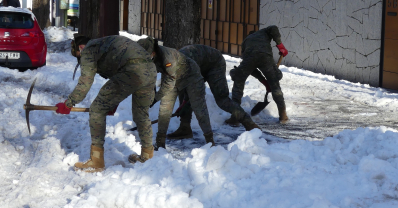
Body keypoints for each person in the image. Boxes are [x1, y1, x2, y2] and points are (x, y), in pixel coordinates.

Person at [57, 34, 157, 172]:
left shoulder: (89, 51)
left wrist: (68, 103)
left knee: (97, 109)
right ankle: (147, 156)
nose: (80, 58)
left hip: (132, 71)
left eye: (78, 55)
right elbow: (118, 71)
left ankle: (96, 161)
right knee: (141, 114)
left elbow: (85, 82)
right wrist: (112, 102)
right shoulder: (104, 43)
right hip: (150, 70)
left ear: (81, 47)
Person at [167, 44, 260, 140]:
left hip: (214, 63)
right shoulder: (171, 65)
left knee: (222, 99)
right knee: (183, 92)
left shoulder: (185, 64)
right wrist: (183, 104)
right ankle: (184, 128)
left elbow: (195, 89)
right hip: (199, 64)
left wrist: (185, 103)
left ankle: (249, 124)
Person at [137, 37, 214, 150]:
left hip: (191, 76)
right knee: (164, 110)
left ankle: (210, 142)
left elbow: (169, 83)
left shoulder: (167, 57)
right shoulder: (145, 57)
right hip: (171, 77)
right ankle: (160, 144)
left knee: (199, 109)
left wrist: (155, 98)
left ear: (153, 52)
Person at [229, 25, 289, 123]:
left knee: (238, 81)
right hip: (265, 57)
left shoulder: (245, 42)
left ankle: (235, 117)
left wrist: (263, 81)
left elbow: (250, 68)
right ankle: (283, 116)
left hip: (249, 58)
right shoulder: (263, 32)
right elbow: (273, 28)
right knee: (275, 85)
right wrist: (280, 45)